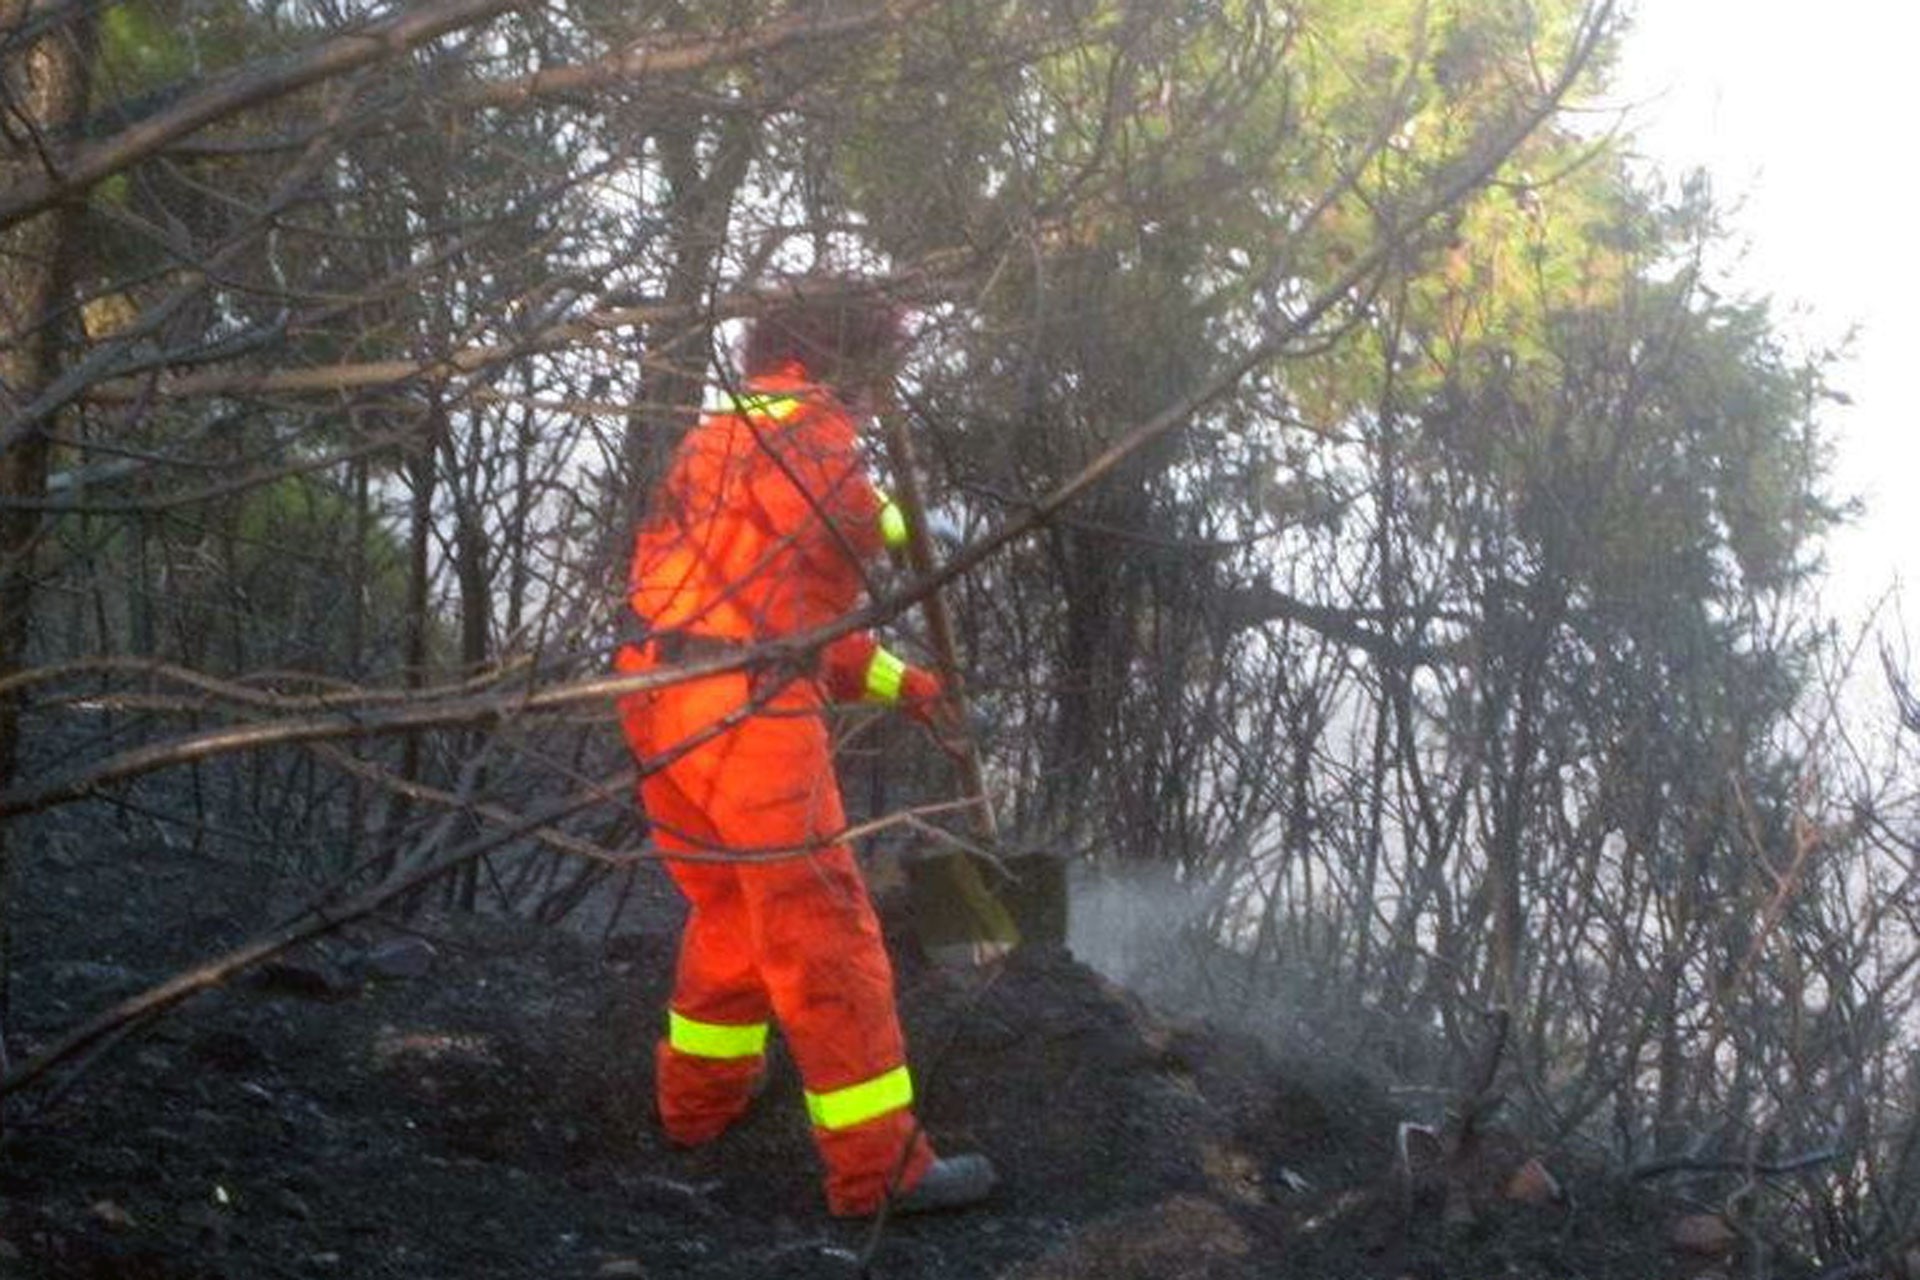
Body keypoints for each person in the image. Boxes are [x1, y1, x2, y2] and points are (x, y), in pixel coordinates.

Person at [611, 287, 996, 1218]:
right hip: (744, 717)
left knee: (734, 912)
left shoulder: (719, 434)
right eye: (879, 373)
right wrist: (912, 526)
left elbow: (775, 620)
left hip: (660, 694)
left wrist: (912, 689)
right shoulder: (810, 428)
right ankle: (878, 1173)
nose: (878, 397)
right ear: (849, 360)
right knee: (826, 932)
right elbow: (839, 526)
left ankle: (696, 1108)